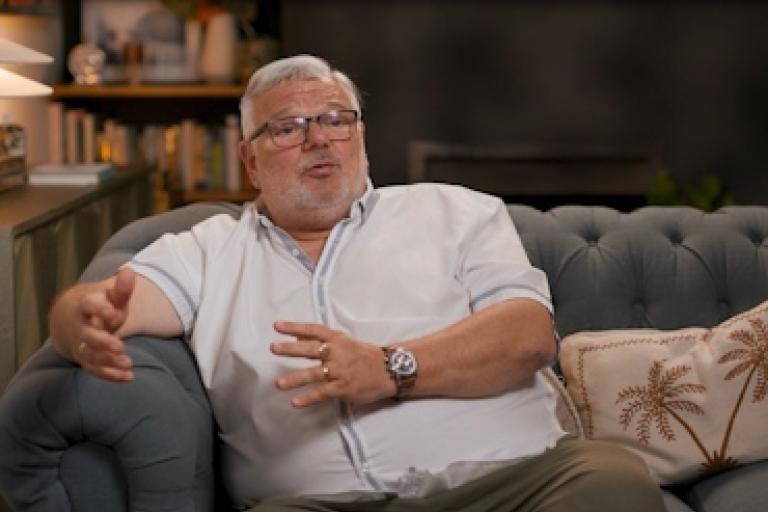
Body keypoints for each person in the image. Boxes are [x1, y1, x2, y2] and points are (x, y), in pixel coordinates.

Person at [50, 55, 665, 512]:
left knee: (612, 481)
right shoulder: (208, 251)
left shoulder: (457, 212)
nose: (318, 138)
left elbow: (527, 337)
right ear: (249, 159)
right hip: (320, 505)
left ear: (360, 136)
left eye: (335, 120)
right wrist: (78, 319)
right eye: (288, 127)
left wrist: (392, 368)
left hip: (508, 485)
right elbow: (110, 305)